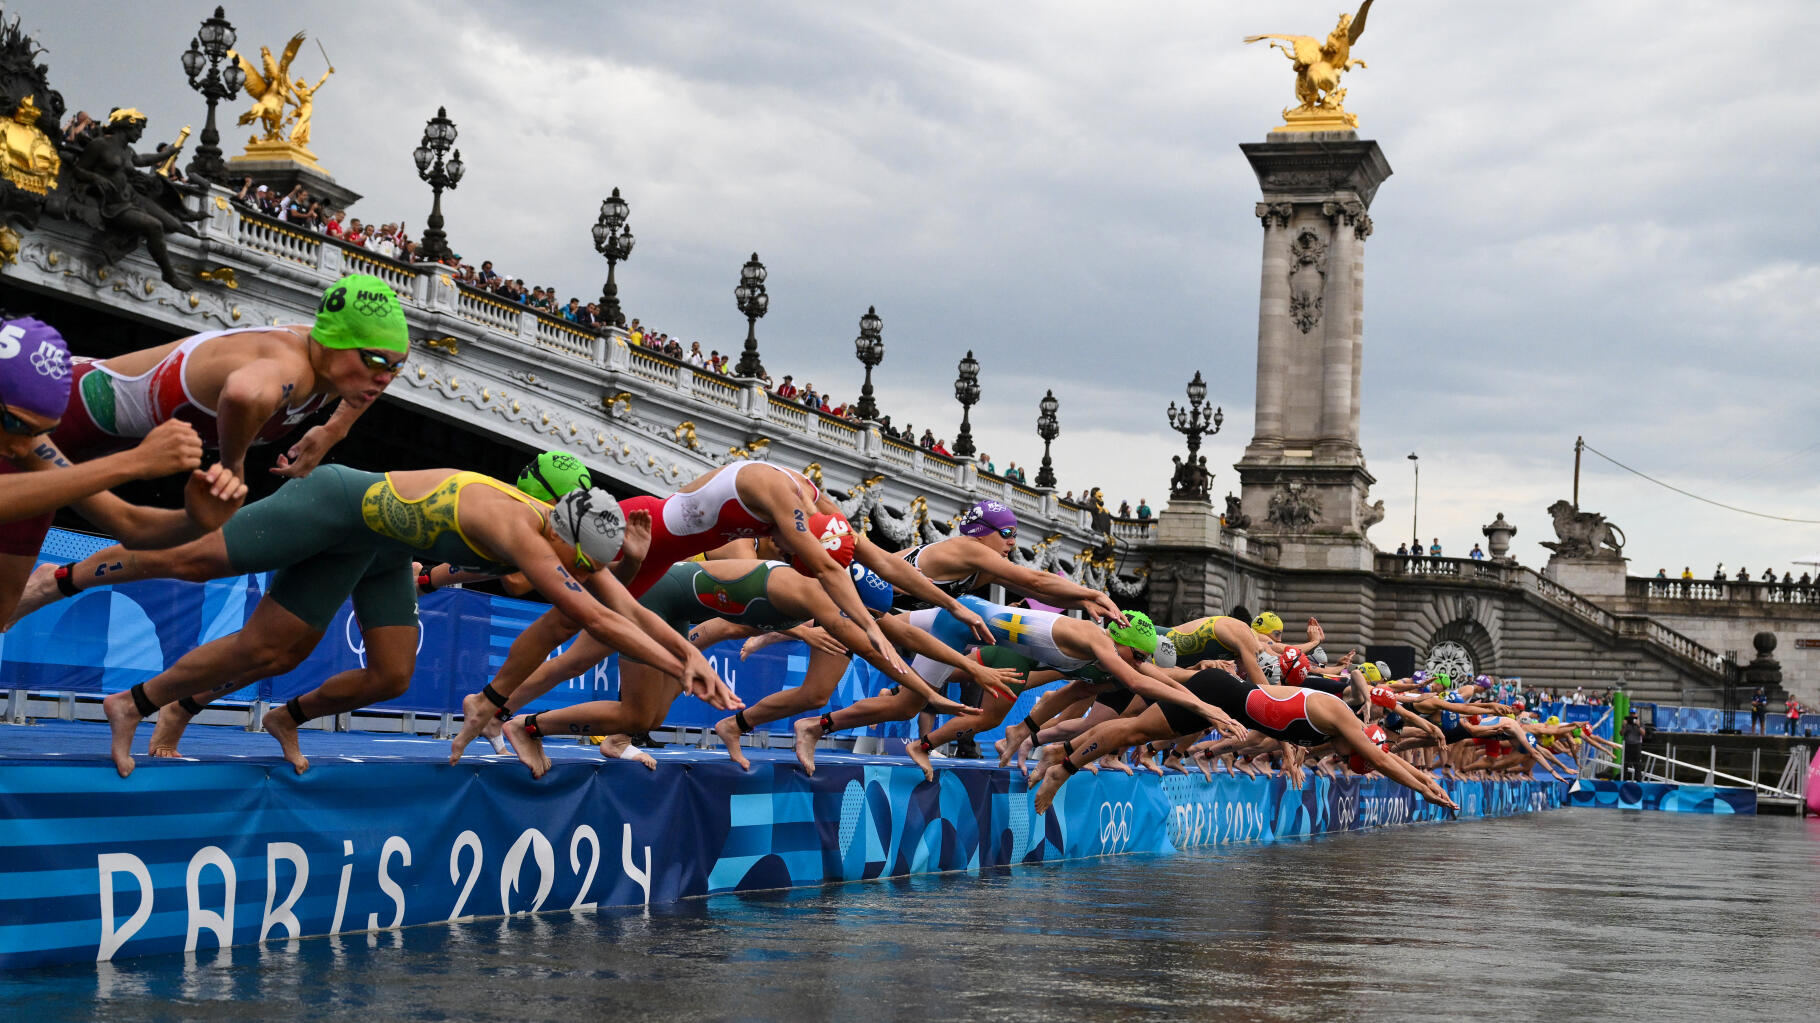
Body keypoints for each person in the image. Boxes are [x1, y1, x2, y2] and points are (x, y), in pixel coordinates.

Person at [20, 467, 727, 778]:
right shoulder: (516, 529)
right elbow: (585, 610)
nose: (583, 568)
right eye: (581, 561)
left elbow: (623, 604)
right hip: (334, 506)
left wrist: (684, 653)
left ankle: (165, 705)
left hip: (383, 547)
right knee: (198, 565)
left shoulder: (567, 532)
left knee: (389, 672)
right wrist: (675, 661)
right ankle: (59, 579)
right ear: (566, 536)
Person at [6, 273, 405, 623]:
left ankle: (49, 584)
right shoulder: (291, 368)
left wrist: (333, 430)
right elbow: (244, 393)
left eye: (397, 367)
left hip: (53, 430)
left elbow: (129, 524)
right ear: (336, 343)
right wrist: (232, 465)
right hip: (42, 428)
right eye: (376, 362)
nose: (385, 379)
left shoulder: (342, 368)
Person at [0, 317, 248, 625]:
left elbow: (129, 524)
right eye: (16, 425)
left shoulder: (25, 441)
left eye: (42, 432)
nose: (22, 450)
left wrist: (195, 521)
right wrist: (133, 462)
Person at [1030, 666, 1458, 813]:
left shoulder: (1346, 731)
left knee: (1134, 728)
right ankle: (1061, 766)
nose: (1346, 760)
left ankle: (1059, 753)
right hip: (1218, 692)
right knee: (1133, 728)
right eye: (1352, 759)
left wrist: (1428, 783)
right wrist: (1426, 789)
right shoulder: (1342, 721)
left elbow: (1386, 758)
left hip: (1226, 695)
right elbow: (1383, 760)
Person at [1620, 712, 1646, 780]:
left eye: (1634, 714)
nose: (1632, 715)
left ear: (1637, 715)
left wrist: (1638, 725)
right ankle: (1624, 779)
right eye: (1631, 714)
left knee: (1637, 765)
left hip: (1636, 746)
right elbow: (1621, 733)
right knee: (1625, 764)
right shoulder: (1627, 723)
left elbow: (1643, 734)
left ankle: (1638, 780)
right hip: (1627, 745)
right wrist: (1623, 726)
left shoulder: (1640, 723)